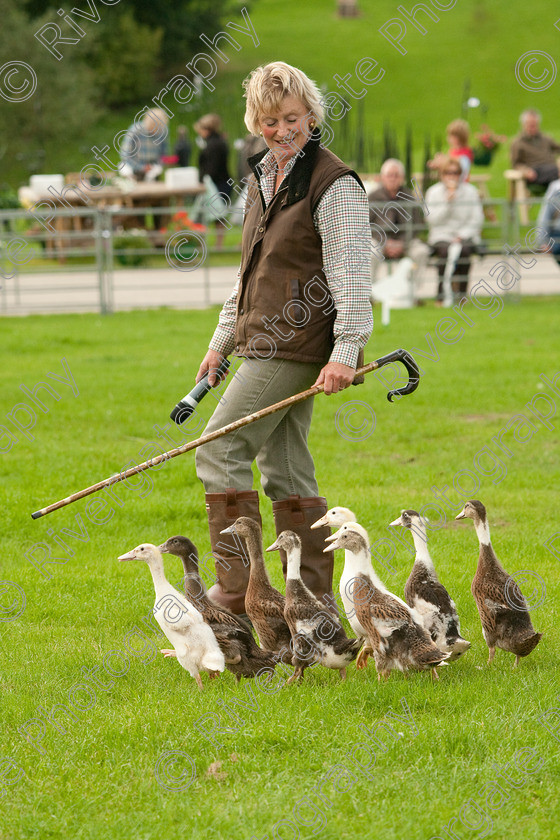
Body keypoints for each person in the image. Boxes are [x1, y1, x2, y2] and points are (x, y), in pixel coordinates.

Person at [193, 61, 372, 616]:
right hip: (260, 340)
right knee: (285, 468)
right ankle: (313, 607)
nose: (282, 130)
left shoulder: (333, 183)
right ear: (256, 122)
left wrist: (346, 352)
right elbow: (249, 276)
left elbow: (351, 274)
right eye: (270, 120)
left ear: (311, 116)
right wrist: (222, 341)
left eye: (291, 118)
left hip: (296, 345)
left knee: (219, 449)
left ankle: (242, 599)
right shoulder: (262, 177)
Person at [425, 157, 483, 303]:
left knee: (464, 252)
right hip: (441, 235)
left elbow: (477, 219)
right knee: (444, 253)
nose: (452, 176)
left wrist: (462, 235)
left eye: (456, 173)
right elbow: (432, 220)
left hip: (464, 235)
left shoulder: (470, 192)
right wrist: (447, 202)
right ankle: (441, 294)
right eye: (448, 173)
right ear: (442, 174)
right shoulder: (433, 192)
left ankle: (462, 295)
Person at [194, 113, 232, 249]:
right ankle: (212, 244)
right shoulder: (218, 142)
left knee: (217, 215)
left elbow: (211, 167)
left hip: (216, 184)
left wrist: (204, 181)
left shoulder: (213, 145)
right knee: (214, 215)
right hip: (222, 182)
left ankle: (217, 244)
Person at [510, 109, 560, 192]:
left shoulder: (545, 138)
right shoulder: (518, 143)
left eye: (535, 125)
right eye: (530, 125)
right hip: (535, 173)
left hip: (552, 170)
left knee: (554, 171)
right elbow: (515, 164)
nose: (533, 128)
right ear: (524, 125)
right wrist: (525, 171)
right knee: (554, 171)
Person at [119, 108, 169, 180]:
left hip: (152, 167)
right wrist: (141, 167)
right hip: (133, 165)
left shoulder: (162, 132)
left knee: (156, 171)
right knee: (125, 170)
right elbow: (125, 155)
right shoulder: (135, 131)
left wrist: (156, 165)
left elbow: (163, 154)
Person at [536, 179, 560, 265]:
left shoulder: (556, 187)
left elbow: (545, 215)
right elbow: (546, 214)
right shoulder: (556, 187)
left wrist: (542, 241)